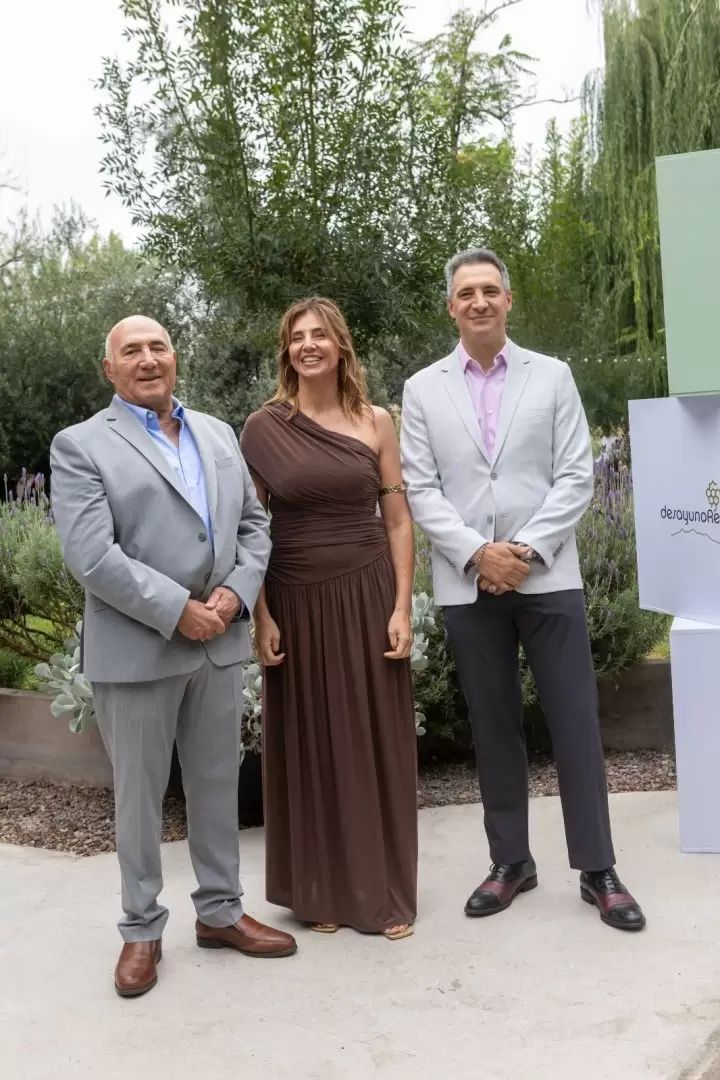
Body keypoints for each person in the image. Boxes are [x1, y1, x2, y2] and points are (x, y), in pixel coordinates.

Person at [50, 315, 297, 998]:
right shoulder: (80, 446)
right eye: (131, 350)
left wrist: (233, 597)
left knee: (217, 786)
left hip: (218, 643)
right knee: (138, 799)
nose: (148, 358)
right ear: (111, 368)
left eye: (158, 346)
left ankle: (220, 914)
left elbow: (253, 524)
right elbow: (91, 555)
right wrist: (175, 609)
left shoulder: (217, 434)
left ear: (175, 357)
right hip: (137, 650)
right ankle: (140, 929)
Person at [400, 249, 646, 932]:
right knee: (494, 725)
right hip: (467, 581)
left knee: (574, 720)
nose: (478, 301)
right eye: (465, 293)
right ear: (450, 306)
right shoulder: (422, 390)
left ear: (509, 300)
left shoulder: (554, 376)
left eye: (490, 290)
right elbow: (421, 487)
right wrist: (480, 553)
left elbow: (575, 475)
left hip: (550, 575)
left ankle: (598, 868)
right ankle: (511, 861)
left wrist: (525, 551)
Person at [240, 297, 418, 941]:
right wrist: (260, 615)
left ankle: (380, 890)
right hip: (294, 596)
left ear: (341, 345)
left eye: (319, 335)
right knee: (311, 741)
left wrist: (401, 606)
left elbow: (397, 519)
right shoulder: (262, 428)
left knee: (371, 738)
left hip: (369, 593)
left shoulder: (376, 422)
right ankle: (317, 886)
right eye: (296, 337)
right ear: (286, 351)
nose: (307, 345)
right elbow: (248, 530)